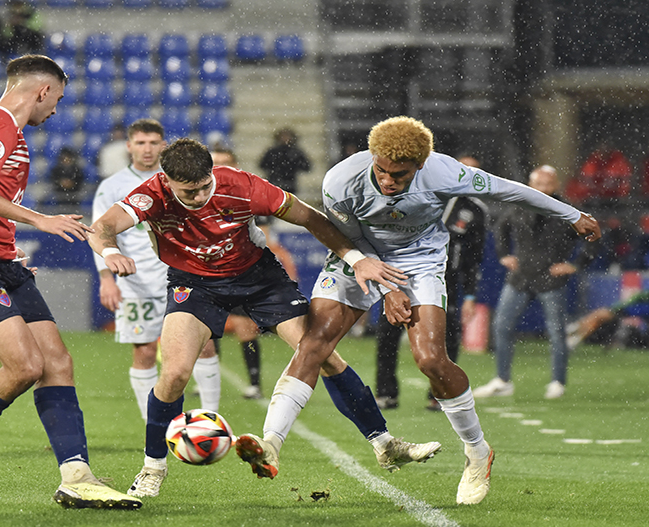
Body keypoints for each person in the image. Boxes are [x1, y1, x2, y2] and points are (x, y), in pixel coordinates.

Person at [234, 116, 601, 506]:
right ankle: (271, 443)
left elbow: (510, 191)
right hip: (357, 255)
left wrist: (572, 215)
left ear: (421, 165)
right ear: (372, 156)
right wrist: (383, 284)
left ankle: (477, 451)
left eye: (399, 174)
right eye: (382, 170)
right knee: (314, 344)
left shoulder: (444, 170)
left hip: (420, 260)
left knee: (431, 361)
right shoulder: (340, 180)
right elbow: (347, 239)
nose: (388, 180)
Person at [89, 137, 436, 500]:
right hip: (194, 284)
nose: (199, 197)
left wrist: (355, 258)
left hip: (259, 278)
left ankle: (384, 443)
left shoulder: (242, 186)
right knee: (174, 374)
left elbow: (311, 218)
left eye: (205, 186)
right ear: (167, 181)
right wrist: (111, 252)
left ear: (212, 173)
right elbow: (102, 228)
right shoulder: (151, 195)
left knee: (322, 355)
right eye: (188, 192)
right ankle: (152, 467)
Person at [0, 54, 140, 510]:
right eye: (56, 98)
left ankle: (78, 476)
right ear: (42, 91)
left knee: (57, 362)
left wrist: (4, 244)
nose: (55, 109)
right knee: (25, 367)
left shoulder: (8, 133)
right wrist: (41, 219)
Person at [91, 119, 221, 420]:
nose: (147, 149)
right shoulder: (111, 187)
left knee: (204, 346)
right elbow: (98, 232)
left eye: (153, 143)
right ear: (129, 146)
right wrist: (106, 279)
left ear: (163, 146)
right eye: (140, 143)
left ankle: (211, 422)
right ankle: (155, 422)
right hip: (136, 283)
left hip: (183, 278)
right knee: (145, 352)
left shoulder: (183, 181)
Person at [373, 154, 488, 411]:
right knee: (388, 332)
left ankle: (439, 393)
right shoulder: (420, 195)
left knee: (447, 336)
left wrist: (470, 295)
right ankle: (385, 392)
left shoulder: (476, 211)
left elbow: (474, 258)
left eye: (474, 172)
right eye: (463, 170)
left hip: (447, 281)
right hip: (403, 275)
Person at [474, 165, 598, 400]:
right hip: (521, 275)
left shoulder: (567, 210)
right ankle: (502, 380)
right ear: (531, 185)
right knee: (501, 326)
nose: (543, 188)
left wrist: (576, 264)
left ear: (555, 185)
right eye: (539, 184)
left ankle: (557, 382)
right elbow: (501, 227)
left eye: (547, 184)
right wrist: (503, 254)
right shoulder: (519, 206)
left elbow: (592, 234)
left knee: (556, 332)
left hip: (550, 278)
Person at [210, 146, 300, 400]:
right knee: (208, 326)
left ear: (235, 165)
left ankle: (254, 381)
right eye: (215, 164)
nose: (219, 169)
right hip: (210, 270)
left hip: (241, 271)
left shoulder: (250, 196)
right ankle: (209, 378)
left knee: (245, 329)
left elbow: (265, 239)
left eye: (225, 163)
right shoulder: (197, 196)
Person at [567, 290, 649, 350]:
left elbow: (636, 299)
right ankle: (574, 334)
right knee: (598, 317)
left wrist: (618, 308)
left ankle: (574, 333)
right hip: (624, 310)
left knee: (599, 316)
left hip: (624, 311)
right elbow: (637, 297)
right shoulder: (643, 298)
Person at [258, 127, 311, 194]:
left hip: (290, 184)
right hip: (274, 183)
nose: (285, 139)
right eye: (283, 136)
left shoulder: (296, 152)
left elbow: (306, 167)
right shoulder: (273, 151)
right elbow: (262, 165)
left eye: (287, 136)